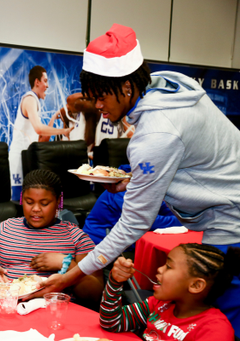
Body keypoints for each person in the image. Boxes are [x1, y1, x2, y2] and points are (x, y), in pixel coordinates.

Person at [39, 23, 240, 335]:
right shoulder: (169, 86)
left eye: (102, 97)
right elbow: (187, 161)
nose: (98, 106)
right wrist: (134, 179)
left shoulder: (155, 134)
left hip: (232, 225)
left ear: (128, 87)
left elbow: (132, 224)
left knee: (220, 324)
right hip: (225, 214)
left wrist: (69, 276)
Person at [0, 169, 103, 307]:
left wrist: (65, 263)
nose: (36, 209)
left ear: (58, 201)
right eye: (29, 202)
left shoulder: (76, 237)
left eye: (44, 203)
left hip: (54, 311)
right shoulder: (4, 229)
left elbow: (95, 293)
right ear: (22, 198)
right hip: (9, 306)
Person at [100, 244, 239, 340]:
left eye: (168, 267)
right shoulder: (159, 304)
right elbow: (112, 322)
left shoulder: (214, 330)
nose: (159, 269)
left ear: (196, 285)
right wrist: (115, 282)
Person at [82, 165, 182, 254]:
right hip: (99, 246)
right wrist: (185, 220)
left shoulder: (148, 184)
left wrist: (182, 217)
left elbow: (165, 209)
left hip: (125, 242)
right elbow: (149, 221)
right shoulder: (123, 189)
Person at [9, 66, 73, 201]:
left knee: (28, 201)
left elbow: (42, 140)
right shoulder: (30, 99)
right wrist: (64, 131)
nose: (47, 85)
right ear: (37, 82)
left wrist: (52, 119)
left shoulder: (35, 102)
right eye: (45, 81)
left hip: (27, 159)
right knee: (18, 201)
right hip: (18, 160)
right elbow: (39, 128)